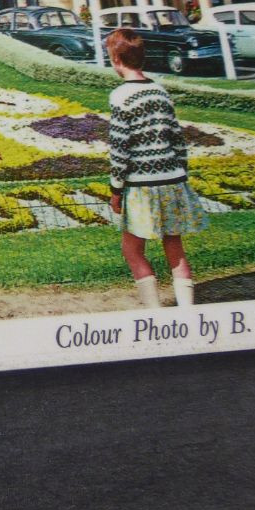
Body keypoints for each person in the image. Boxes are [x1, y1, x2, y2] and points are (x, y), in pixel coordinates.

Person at [105, 27, 206, 308]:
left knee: (132, 250)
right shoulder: (161, 92)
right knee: (175, 249)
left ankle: (155, 313)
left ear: (115, 59)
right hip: (173, 181)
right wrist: (180, 175)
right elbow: (178, 140)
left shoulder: (120, 97)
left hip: (141, 187)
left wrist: (115, 191)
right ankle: (187, 312)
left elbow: (120, 150)